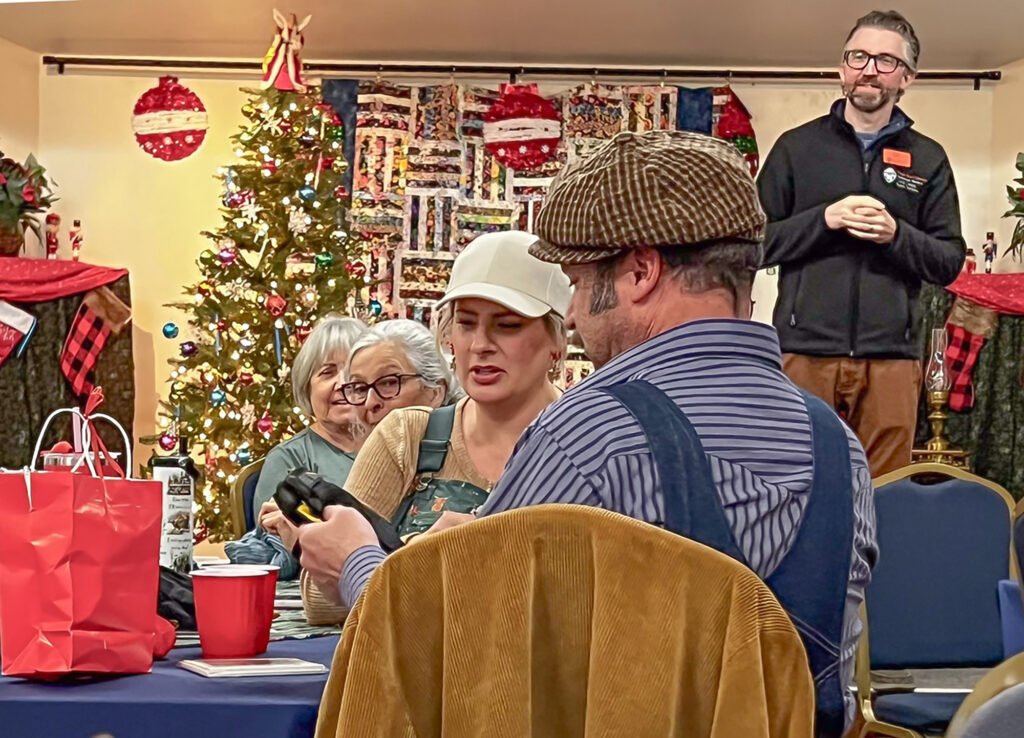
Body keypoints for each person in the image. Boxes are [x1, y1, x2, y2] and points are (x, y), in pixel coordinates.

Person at [298, 130, 875, 737]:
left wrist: (358, 561)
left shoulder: (589, 434)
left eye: (576, 281)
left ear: (641, 272)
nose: (570, 315)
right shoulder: (842, 448)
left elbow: (464, 662)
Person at [299, 231, 569, 614]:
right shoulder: (408, 436)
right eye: (466, 323)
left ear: (557, 340)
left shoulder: (585, 446)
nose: (480, 344)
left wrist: (393, 569)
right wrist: (426, 559)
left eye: (507, 325)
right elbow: (318, 596)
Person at [757, 10, 966, 476]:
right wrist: (824, 219)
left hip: (893, 358)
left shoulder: (927, 159)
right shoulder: (796, 148)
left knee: (883, 492)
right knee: (798, 482)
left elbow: (949, 262)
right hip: (804, 352)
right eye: (859, 56)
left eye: (887, 60)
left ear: (907, 78)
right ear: (842, 68)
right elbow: (753, 245)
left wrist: (896, 236)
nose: (869, 68)